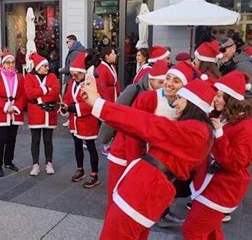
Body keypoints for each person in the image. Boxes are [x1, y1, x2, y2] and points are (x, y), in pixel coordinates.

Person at [81, 77, 216, 239]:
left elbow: (147, 123)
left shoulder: (196, 131)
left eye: (181, 99)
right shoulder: (198, 130)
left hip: (144, 189)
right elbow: (141, 127)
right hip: (148, 188)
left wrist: (99, 104)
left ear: (194, 104)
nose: (176, 103)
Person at [183, 71, 252, 239]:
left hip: (222, 189)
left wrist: (219, 135)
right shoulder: (223, 117)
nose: (214, 99)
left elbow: (236, 162)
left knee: (192, 231)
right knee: (212, 232)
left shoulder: (248, 128)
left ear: (230, 99)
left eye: (218, 95)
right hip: (210, 184)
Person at [130, 60, 201, 228]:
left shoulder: (189, 104)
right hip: (150, 154)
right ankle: (149, 214)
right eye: (168, 78)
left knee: (165, 186)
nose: (169, 84)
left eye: (176, 81)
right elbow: (133, 125)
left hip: (171, 157)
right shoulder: (149, 98)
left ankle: (161, 213)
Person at [102, 60, 169, 209]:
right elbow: (115, 112)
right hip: (124, 147)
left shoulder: (164, 96)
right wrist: (105, 137)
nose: (164, 85)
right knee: (117, 190)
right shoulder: (135, 89)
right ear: (151, 80)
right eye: (160, 82)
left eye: (166, 81)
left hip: (144, 151)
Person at [61, 52, 100, 188]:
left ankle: (94, 174)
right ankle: (80, 169)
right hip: (74, 121)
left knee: (91, 147)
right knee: (77, 145)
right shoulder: (72, 82)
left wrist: (72, 108)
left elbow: (92, 103)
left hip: (87, 121)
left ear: (83, 72)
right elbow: (67, 96)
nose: (74, 76)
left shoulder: (91, 82)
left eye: (77, 74)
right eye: (73, 73)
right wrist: (64, 106)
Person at [0, 52, 25, 177]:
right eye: (8, 63)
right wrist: (5, 106)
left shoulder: (19, 77)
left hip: (14, 112)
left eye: (12, 62)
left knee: (11, 139)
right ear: (3, 64)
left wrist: (15, 106)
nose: (10, 65)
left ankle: (8, 161)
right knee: (1, 139)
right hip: (0, 112)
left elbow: (22, 95)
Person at [25, 52, 60, 176]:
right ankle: (35, 165)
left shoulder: (52, 77)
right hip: (35, 113)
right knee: (35, 140)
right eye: (45, 66)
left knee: (48, 140)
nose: (47, 68)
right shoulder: (29, 77)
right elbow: (29, 93)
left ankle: (49, 163)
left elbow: (55, 92)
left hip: (48, 113)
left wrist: (39, 98)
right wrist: (46, 90)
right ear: (38, 67)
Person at [219, 37, 252, 104]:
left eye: (223, 50)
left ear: (233, 48)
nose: (220, 54)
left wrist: (234, 109)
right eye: (218, 51)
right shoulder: (226, 62)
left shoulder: (244, 66)